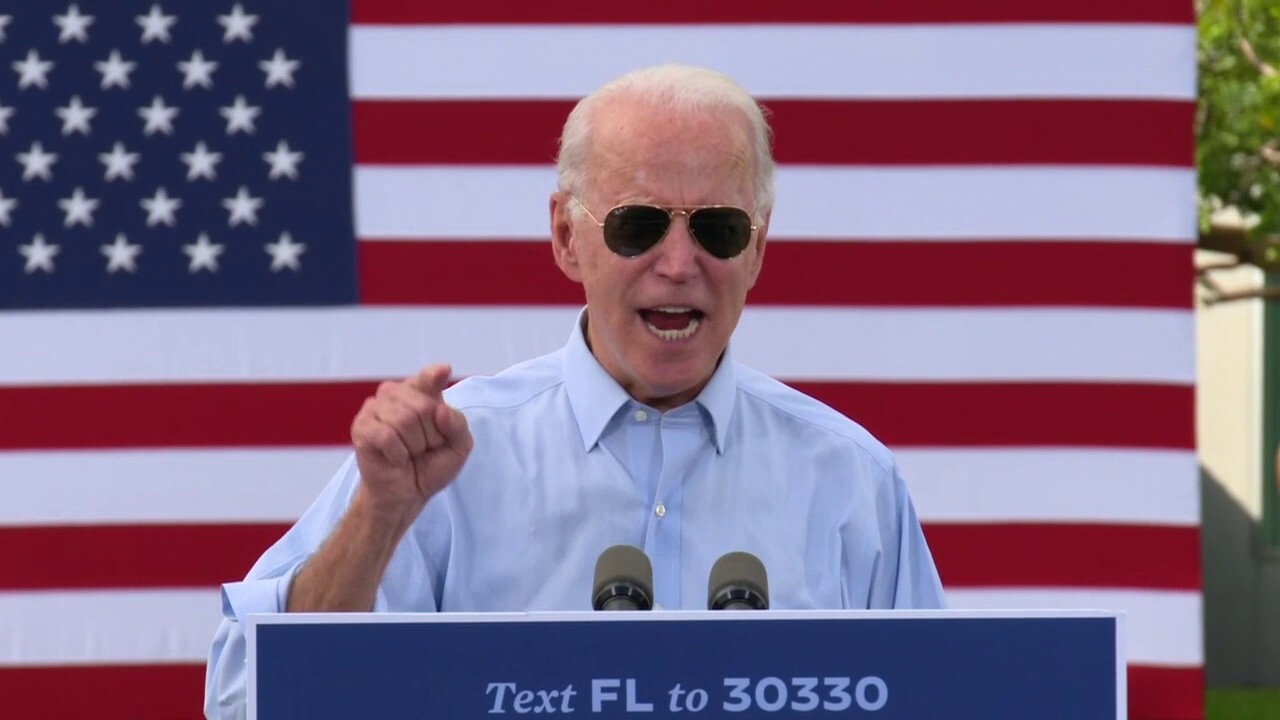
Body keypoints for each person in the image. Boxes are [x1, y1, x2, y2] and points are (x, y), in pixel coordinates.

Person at [204, 63, 945, 718]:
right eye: (639, 226)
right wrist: (379, 518)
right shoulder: (444, 460)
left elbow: (944, 699)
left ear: (756, 247)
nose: (679, 263)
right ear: (566, 236)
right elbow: (244, 700)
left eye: (717, 227)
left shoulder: (850, 477)